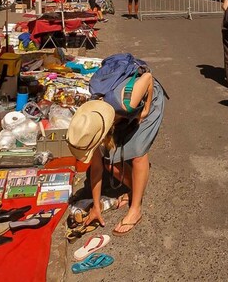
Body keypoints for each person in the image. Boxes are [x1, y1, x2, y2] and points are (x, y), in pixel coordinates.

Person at [67, 69, 165, 236]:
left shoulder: (125, 103)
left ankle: (136, 209)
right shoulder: (91, 122)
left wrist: (145, 110)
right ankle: (134, 189)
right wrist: (96, 206)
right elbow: (97, 168)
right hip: (119, 114)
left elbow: (148, 77)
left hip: (148, 99)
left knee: (138, 154)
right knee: (108, 161)